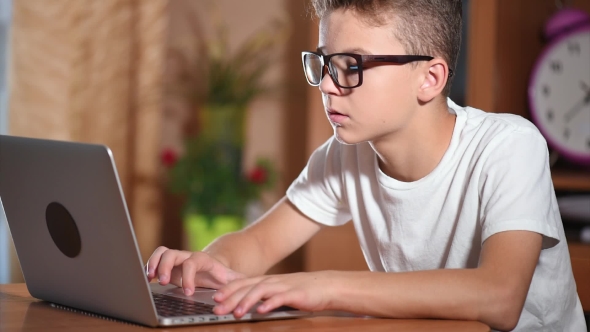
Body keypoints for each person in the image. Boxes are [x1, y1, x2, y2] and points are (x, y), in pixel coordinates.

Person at [146, 1, 586, 330]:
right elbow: (258, 246)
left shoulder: (508, 146)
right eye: (323, 62)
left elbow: (499, 297)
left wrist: (324, 288)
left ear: (429, 78)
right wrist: (208, 264)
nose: (329, 86)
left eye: (351, 65)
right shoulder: (343, 156)